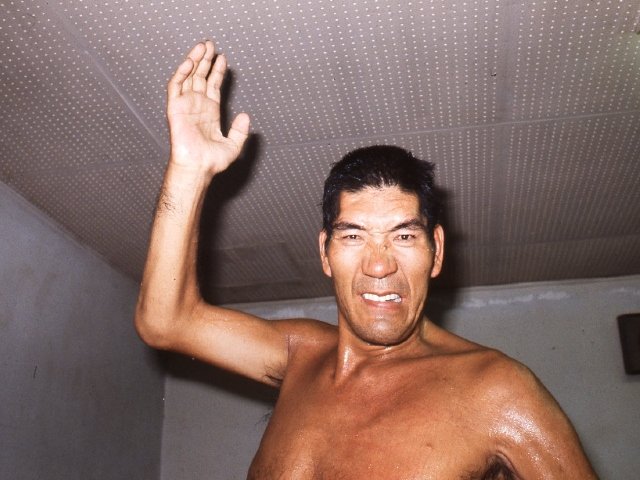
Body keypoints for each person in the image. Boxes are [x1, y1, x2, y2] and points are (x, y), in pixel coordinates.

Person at [135, 40, 597, 479]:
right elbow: (165, 322)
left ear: (436, 251)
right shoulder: (299, 356)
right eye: (353, 236)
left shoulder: (498, 391)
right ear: (325, 253)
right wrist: (189, 171)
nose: (379, 266)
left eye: (403, 236)